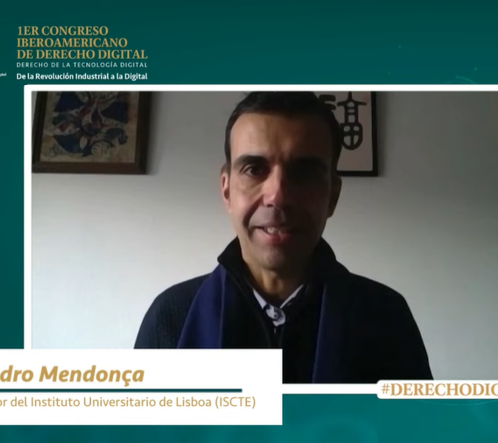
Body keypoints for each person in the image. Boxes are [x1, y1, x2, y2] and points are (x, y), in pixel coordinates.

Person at [135, 91, 432, 384]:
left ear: (332, 195)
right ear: (226, 191)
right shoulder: (171, 317)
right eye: (254, 169)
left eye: (304, 172)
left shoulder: (387, 319)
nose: (277, 196)